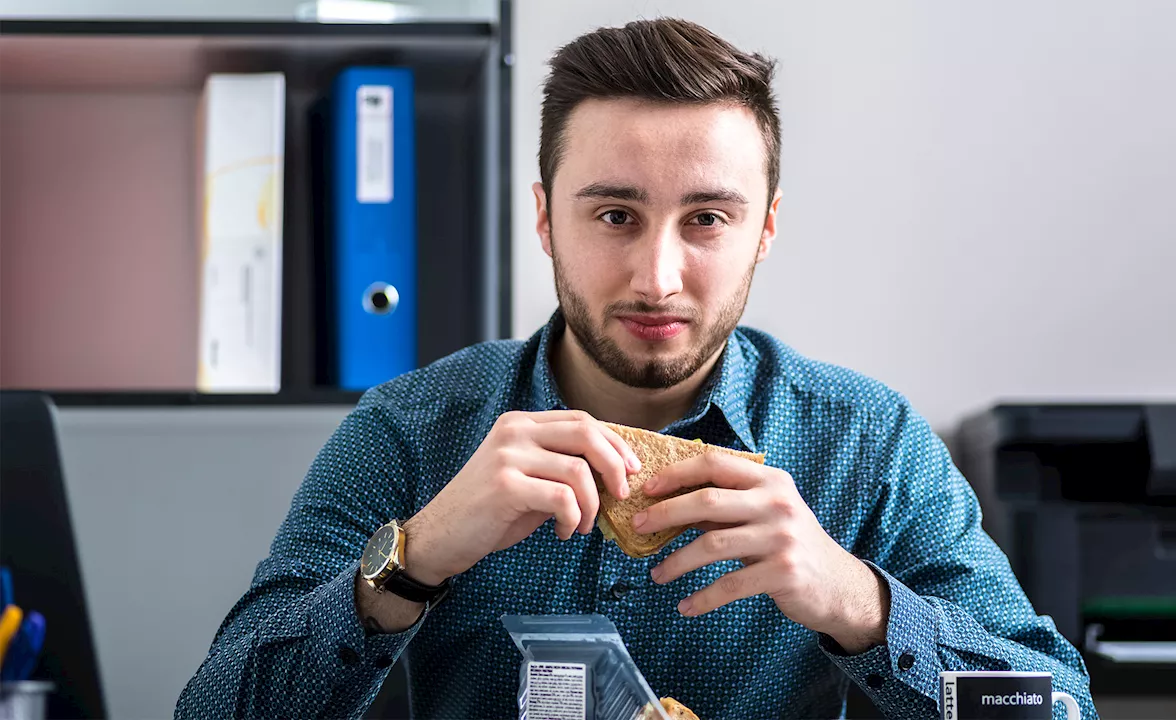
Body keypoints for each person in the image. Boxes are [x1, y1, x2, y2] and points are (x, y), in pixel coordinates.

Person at [177, 17, 1097, 720]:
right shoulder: (411, 432)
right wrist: (411, 562)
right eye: (615, 215)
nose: (658, 277)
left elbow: (1059, 706)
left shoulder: (870, 446)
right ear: (545, 219)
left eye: (707, 219)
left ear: (765, 228)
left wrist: (854, 599)